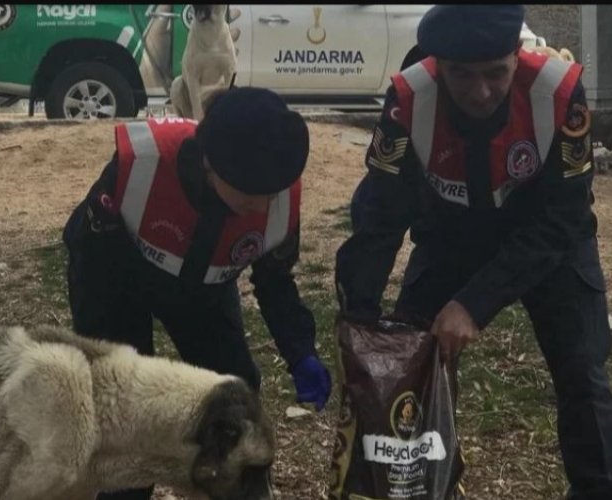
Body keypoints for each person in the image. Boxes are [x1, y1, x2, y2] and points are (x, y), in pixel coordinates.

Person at [335, 5, 612, 499]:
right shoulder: (406, 98)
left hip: (549, 240)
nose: (480, 91)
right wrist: (359, 318)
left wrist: (474, 303)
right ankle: (412, 487)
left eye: (495, 74)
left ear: (517, 56)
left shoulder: (560, 89)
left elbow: (567, 218)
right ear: (437, 65)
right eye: (461, 75)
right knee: (405, 366)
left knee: (584, 376)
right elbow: (380, 217)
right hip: (450, 236)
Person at [63, 86, 332, 500]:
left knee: (235, 390)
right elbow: (88, 259)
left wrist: (300, 351)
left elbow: (275, 281)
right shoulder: (140, 167)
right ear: (208, 162)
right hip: (117, 277)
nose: (262, 205)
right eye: (249, 191)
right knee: (130, 411)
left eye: (272, 192)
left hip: (205, 286)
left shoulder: (276, 189)